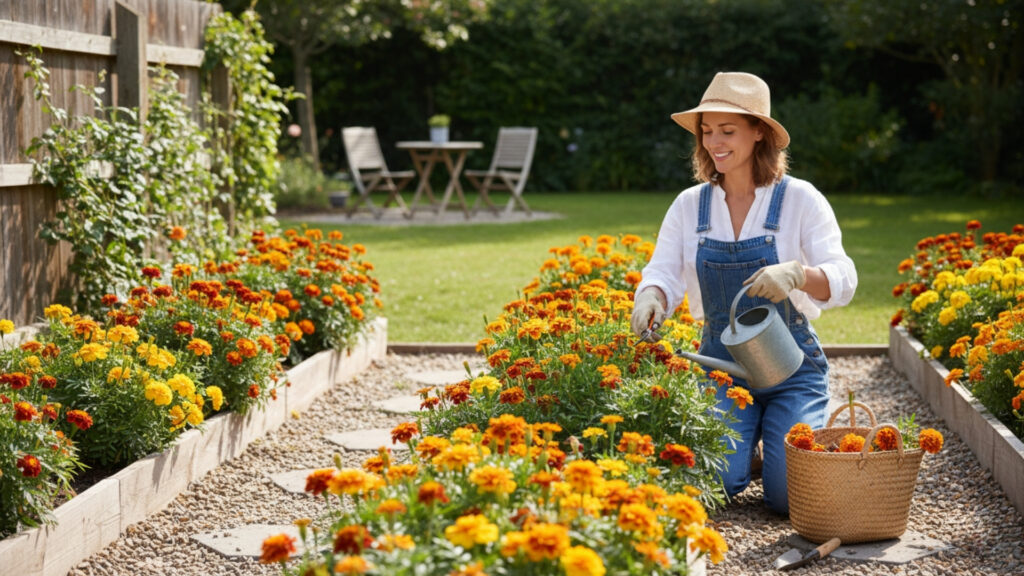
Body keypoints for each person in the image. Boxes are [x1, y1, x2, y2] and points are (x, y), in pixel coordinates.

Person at [629, 72, 857, 514]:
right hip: (723, 370)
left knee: (789, 498)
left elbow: (844, 278)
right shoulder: (689, 205)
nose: (714, 142)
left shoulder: (800, 199)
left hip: (793, 369)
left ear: (759, 133)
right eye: (707, 131)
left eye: (727, 131)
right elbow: (662, 273)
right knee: (716, 485)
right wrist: (650, 296)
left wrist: (797, 274)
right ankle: (748, 451)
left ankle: (774, 444)